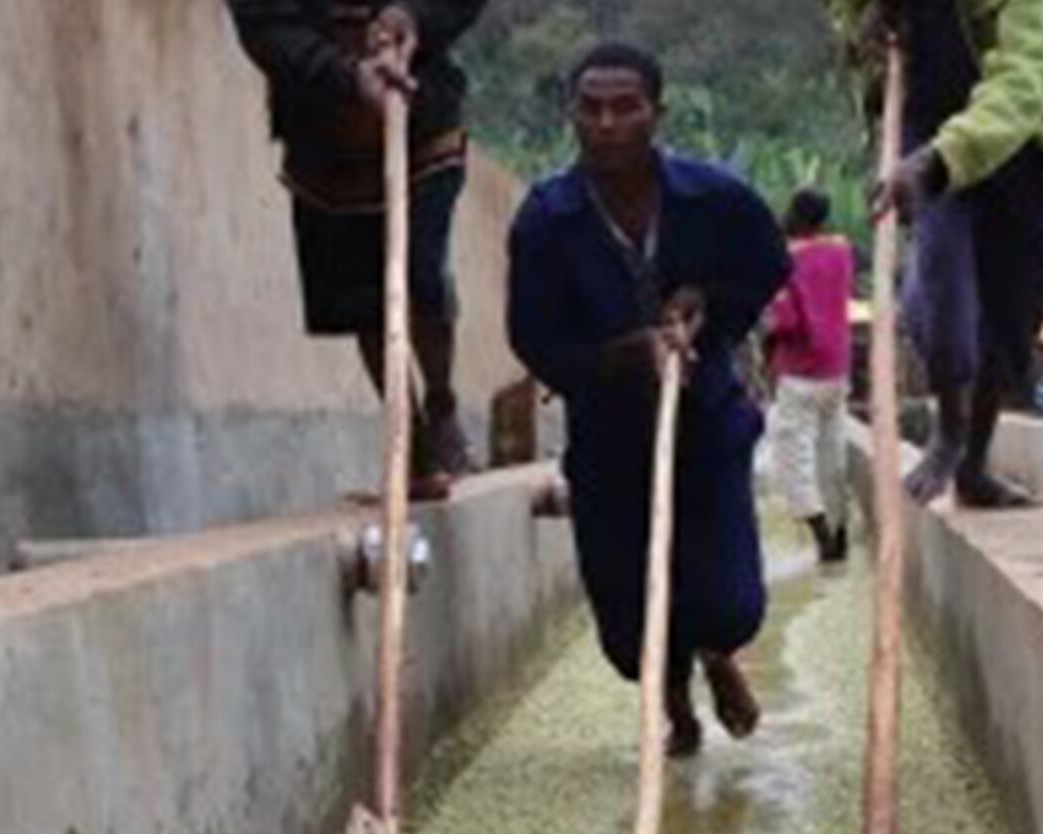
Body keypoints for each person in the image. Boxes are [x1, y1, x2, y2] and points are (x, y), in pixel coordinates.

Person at [507, 41, 791, 758]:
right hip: (608, 444)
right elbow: (534, 337)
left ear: (656, 114)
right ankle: (673, 704)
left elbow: (767, 265)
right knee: (632, 627)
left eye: (625, 107)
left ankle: (718, 655)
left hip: (705, 426)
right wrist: (615, 358)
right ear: (572, 116)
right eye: (591, 108)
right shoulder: (547, 219)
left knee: (728, 602)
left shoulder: (715, 199)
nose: (607, 124)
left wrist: (708, 305)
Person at [230, 0, 487, 499]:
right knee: (362, 299)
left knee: (421, 273)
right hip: (324, 137)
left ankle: (441, 405)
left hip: (421, 116)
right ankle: (409, 437)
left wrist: (411, 19)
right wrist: (346, 75)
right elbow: (266, 27)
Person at [864, 0, 1043, 507]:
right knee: (944, 290)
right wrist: (868, 37)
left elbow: (1026, 80)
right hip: (927, 134)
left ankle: (974, 462)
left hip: (1025, 148)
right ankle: (948, 432)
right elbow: (857, 40)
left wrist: (942, 159)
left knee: (1011, 315)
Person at [764, 187, 855, 563]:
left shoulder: (785, 261)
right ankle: (841, 530)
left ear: (796, 217)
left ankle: (823, 537)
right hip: (836, 368)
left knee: (793, 457)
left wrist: (767, 344)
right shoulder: (841, 253)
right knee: (832, 454)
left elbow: (785, 322)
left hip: (800, 372)